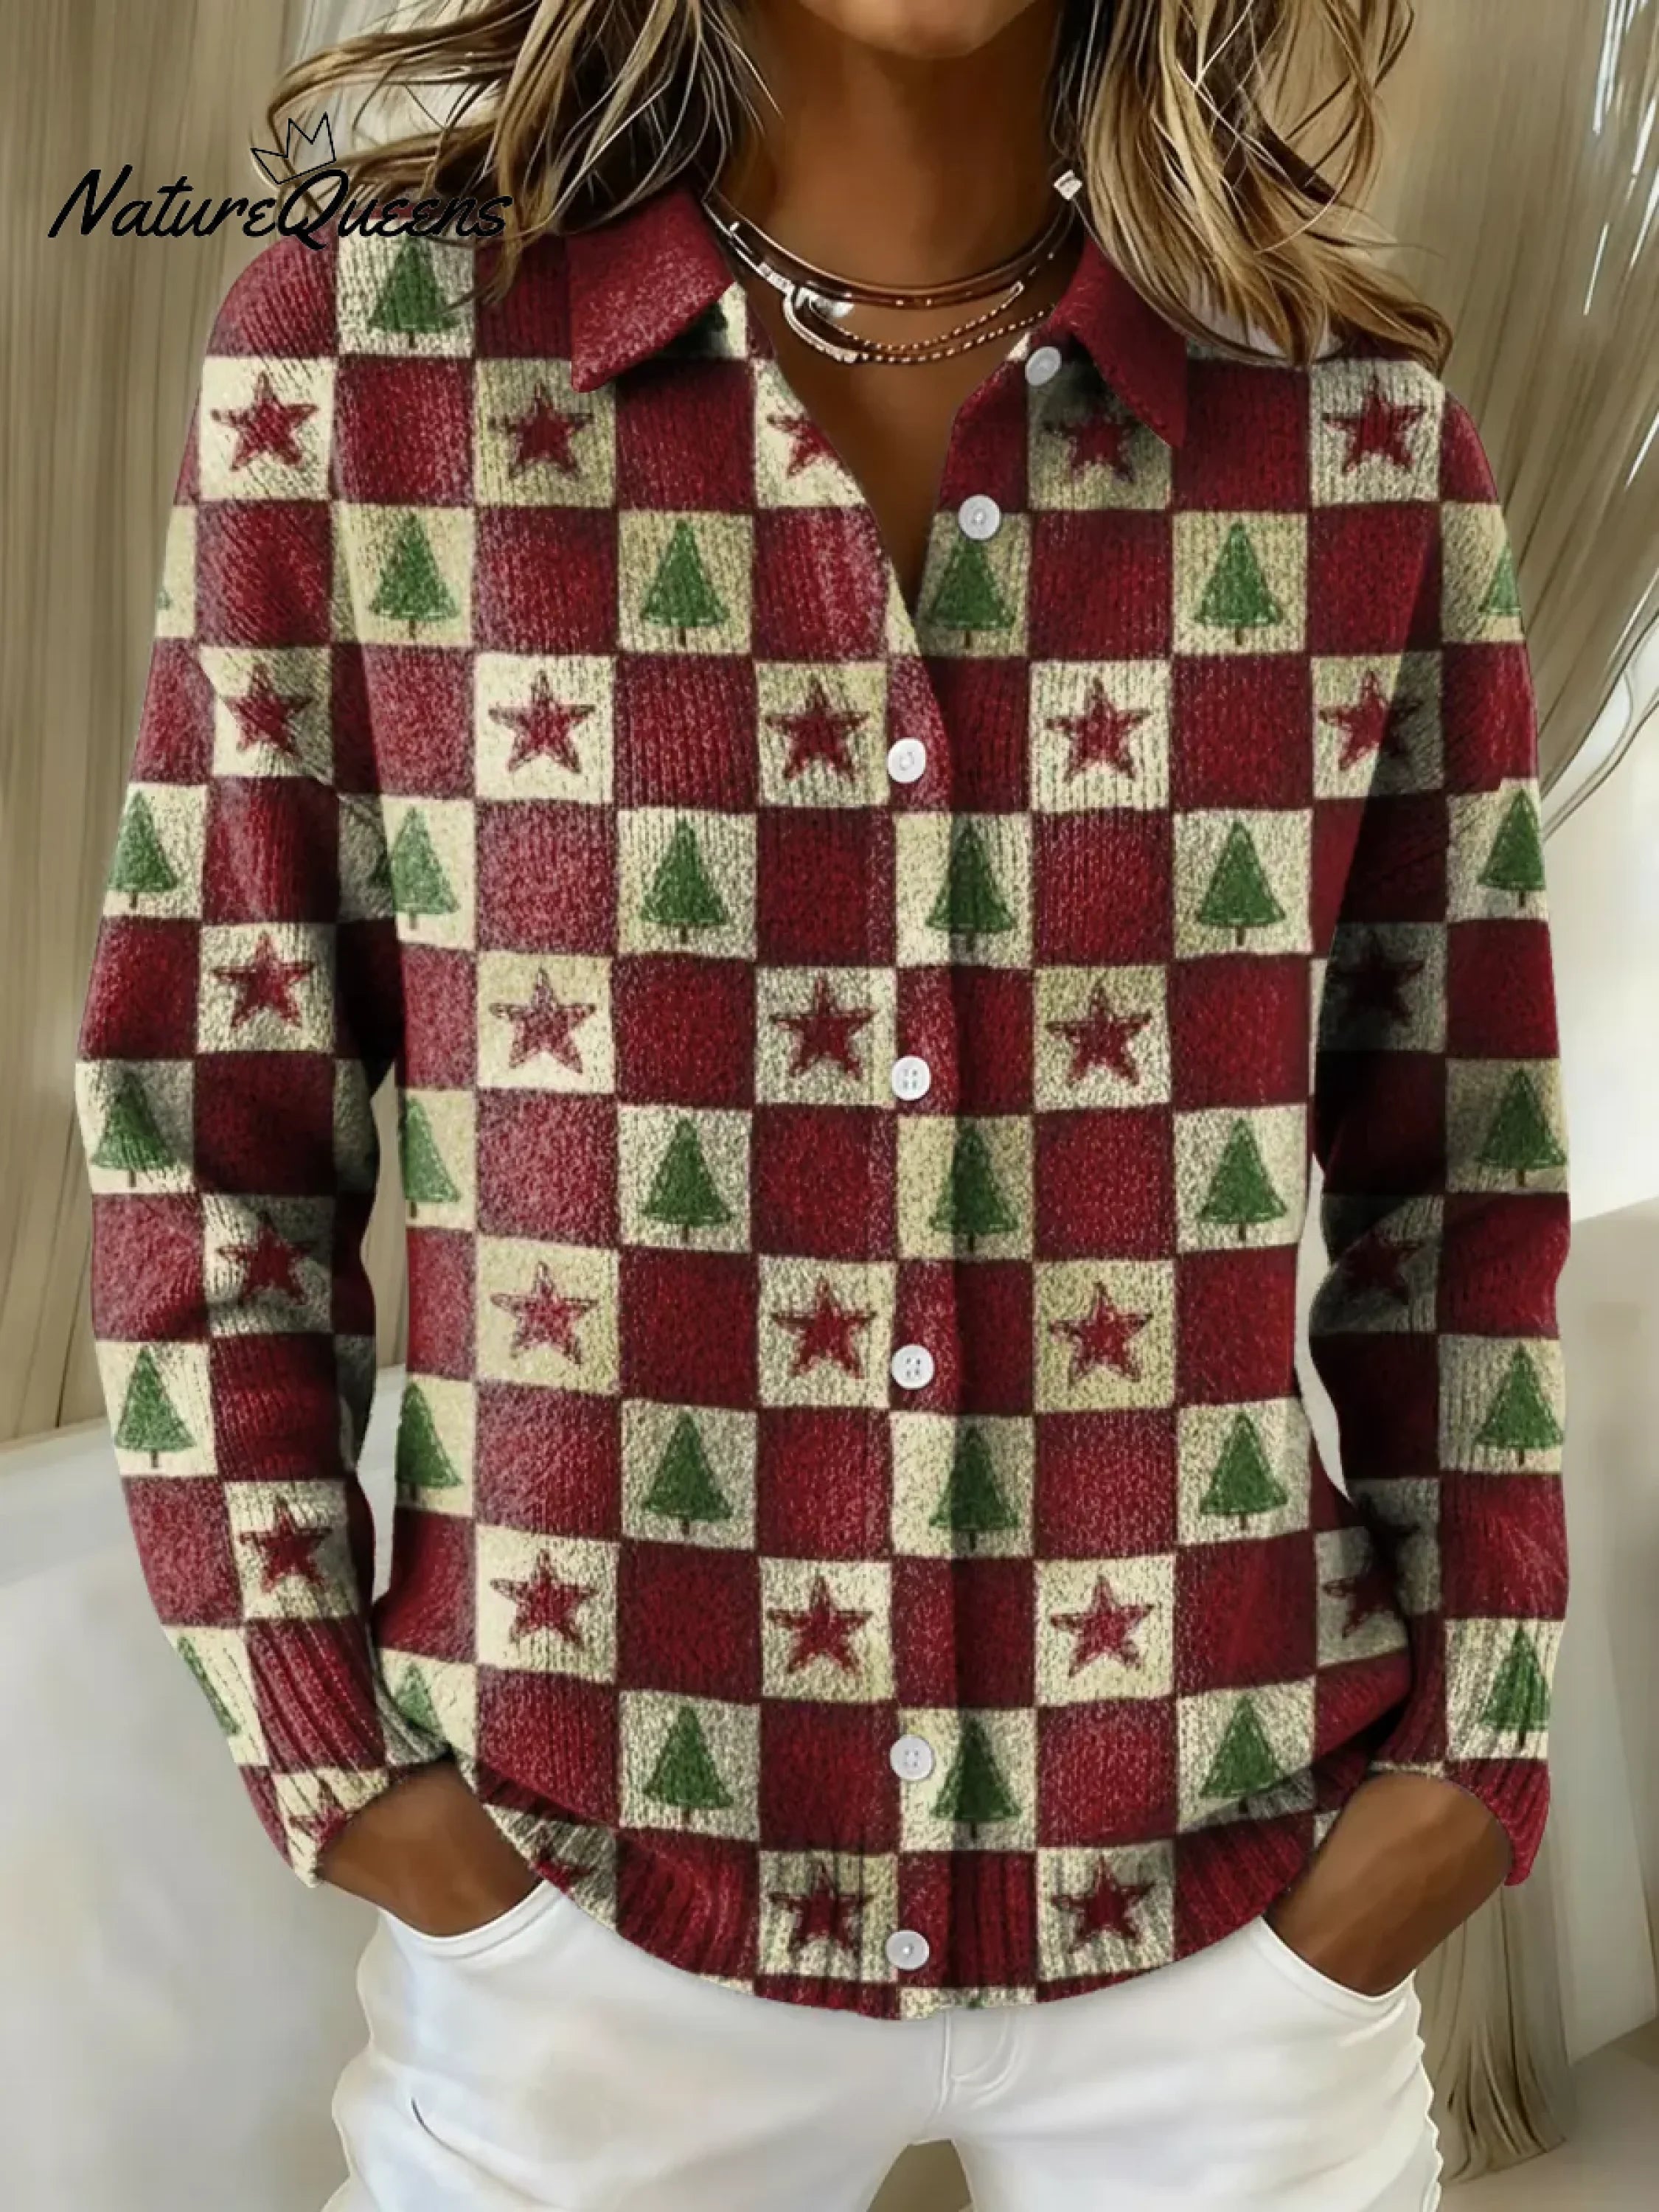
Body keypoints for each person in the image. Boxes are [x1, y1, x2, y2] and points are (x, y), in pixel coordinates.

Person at [73, 1, 1573, 2205]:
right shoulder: (371, 366)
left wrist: (1468, 1760)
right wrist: (348, 1767)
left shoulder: (1348, 431)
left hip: (1238, 1929)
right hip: (580, 1929)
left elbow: (1464, 1176)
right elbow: (211, 1128)